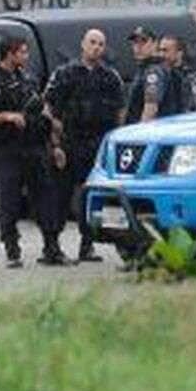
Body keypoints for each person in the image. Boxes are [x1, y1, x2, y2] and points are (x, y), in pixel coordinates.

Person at [0, 35, 69, 268]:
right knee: (10, 202)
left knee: (46, 198)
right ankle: (12, 249)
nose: (26, 57)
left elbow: (42, 113)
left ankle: (52, 248)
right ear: (10, 54)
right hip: (10, 150)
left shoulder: (29, 79)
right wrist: (7, 116)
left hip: (35, 148)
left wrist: (55, 143)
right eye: (23, 52)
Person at [44, 29, 126, 263]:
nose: (96, 47)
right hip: (70, 142)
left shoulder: (110, 77)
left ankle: (87, 245)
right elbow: (49, 109)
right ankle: (51, 247)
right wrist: (55, 144)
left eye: (101, 44)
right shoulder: (65, 74)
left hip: (97, 145)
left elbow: (120, 112)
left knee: (91, 198)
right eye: (92, 42)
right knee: (60, 196)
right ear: (83, 44)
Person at [124, 26, 174, 124]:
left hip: (148, 133)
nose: (138, 46)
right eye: (135, 42)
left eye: (143, 42)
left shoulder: (153, 71)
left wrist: (139, 134)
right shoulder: (144, 68)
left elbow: (151, 108)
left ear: (155, 44)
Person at [159, 34, 196, 114]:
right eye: (160, 50)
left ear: (179, 53)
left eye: (165, 50)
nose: (161, 55)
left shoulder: (190, 77)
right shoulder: (160, 74)